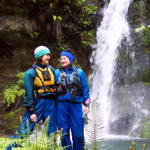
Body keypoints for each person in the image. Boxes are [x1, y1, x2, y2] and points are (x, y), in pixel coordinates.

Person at [17, 46, 57, 136]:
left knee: (52, 133)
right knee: (24, 131)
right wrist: (31, 112)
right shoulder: (30, 73)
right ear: (40, 56)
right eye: (47, 55)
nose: (49, 57)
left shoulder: (51, 69)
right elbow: (28, 93)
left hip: (51, 104)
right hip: (37, 103)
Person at [55, 50, 91, 150]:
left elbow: (85, 89)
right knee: (63, 132)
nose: (62, 60)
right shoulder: (57, 72)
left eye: (64, 58)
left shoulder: (79, 72)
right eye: (61, 58)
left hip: (76, 106)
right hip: (61, 106)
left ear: (70, 60)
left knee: (78, 134)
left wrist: (87, 105)